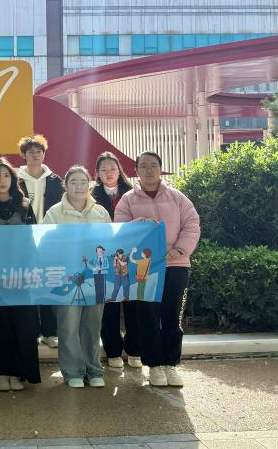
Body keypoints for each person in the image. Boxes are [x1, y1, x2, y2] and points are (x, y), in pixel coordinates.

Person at [114, 151, 201, 389]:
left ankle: (171, 364)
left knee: (172, 316)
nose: (149, 170)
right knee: (148, 316)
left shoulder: (177, 197)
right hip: (144, 267)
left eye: (153, 165)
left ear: (160, 169)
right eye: (143, 166)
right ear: (136, 171)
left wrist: (181, 249)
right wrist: (139, 224)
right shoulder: (128, 200)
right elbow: (120, 230)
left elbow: (192, 225)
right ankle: (154, 366)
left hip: (176, 264)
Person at [0, 157, 41, 391]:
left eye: (5, 176)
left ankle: (20, 373)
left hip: (21, 277)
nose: (1, 181)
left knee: (22, 324)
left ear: (12, 178)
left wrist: (29, 270)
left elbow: (32, 242)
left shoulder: (25, 206)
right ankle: (3, 373)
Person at [42, 166, 111, 388]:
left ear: (89, 185)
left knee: (92, 326)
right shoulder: (54, 213)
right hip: (66, 278)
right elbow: (44, 243)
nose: (78, 186)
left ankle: (94, 370)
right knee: (68, 326)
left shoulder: (100, 212)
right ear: (65, 185)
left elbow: (110, 243)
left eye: (83, 182)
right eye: (73, 182)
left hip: (95, 278)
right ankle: (73, 372)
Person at [93, 151, 141, 369]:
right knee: (109, 305)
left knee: (133, 303)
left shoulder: (133, 193)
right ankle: (112, 350)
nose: (109, 173)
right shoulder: (92, 197)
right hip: (105, 257)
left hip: (130, 255)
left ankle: (135, 350)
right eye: (104, 169)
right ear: (98, 173)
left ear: (119, 170)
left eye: (112, 168)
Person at [16, 134, 63, 349]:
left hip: (49, 240)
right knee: (27, 283)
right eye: (30, 152)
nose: (35, 155)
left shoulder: (55, 180)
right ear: (23, 155)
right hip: (24, 240)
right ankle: (31, 330)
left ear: (44, 154)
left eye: (39, 151)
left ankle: (49, 331)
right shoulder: (15, 179)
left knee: (47, 283)